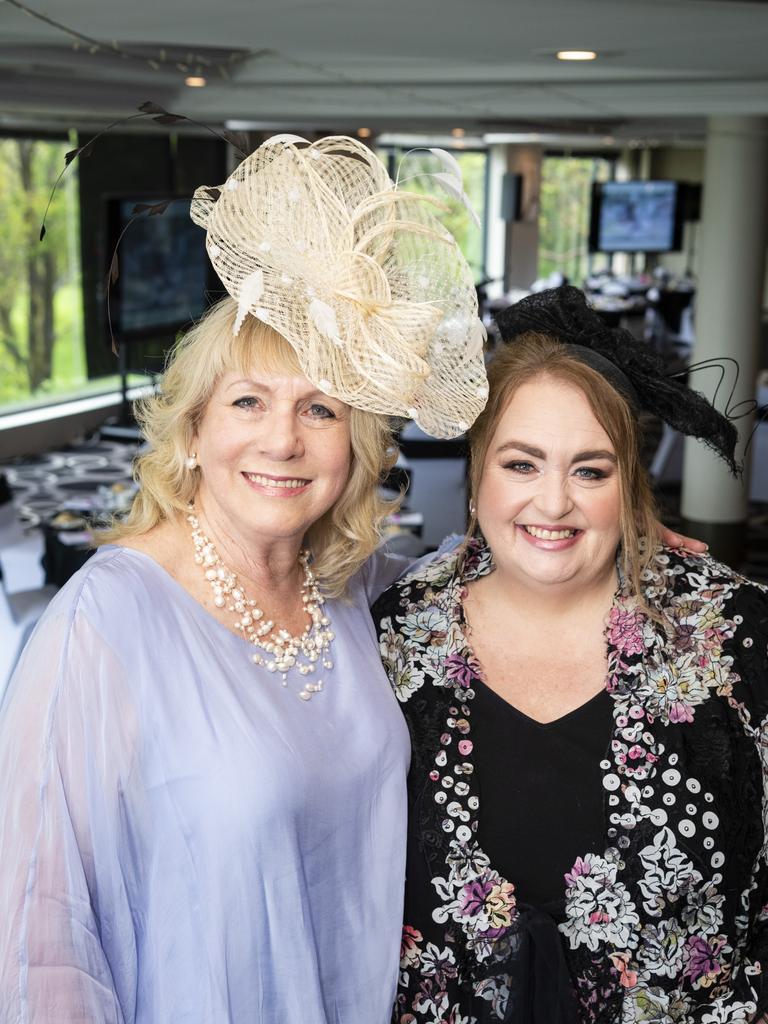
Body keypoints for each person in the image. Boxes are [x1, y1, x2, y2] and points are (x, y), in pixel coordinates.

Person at [0, 135, 489, 1024]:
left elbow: (483, 589)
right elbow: (41, 934)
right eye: (248, 402)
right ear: (192, 432)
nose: (283, 440)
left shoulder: (352, 593)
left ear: (357, 448)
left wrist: (620, 541)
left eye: (319, 409)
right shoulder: (100, 625)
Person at [373, 286, 768, 1023]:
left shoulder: (734, 635)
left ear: (631, 487)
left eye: (590, 471)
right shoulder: (398, 634)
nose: (552, 504)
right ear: (477, 471)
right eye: (522, 465)